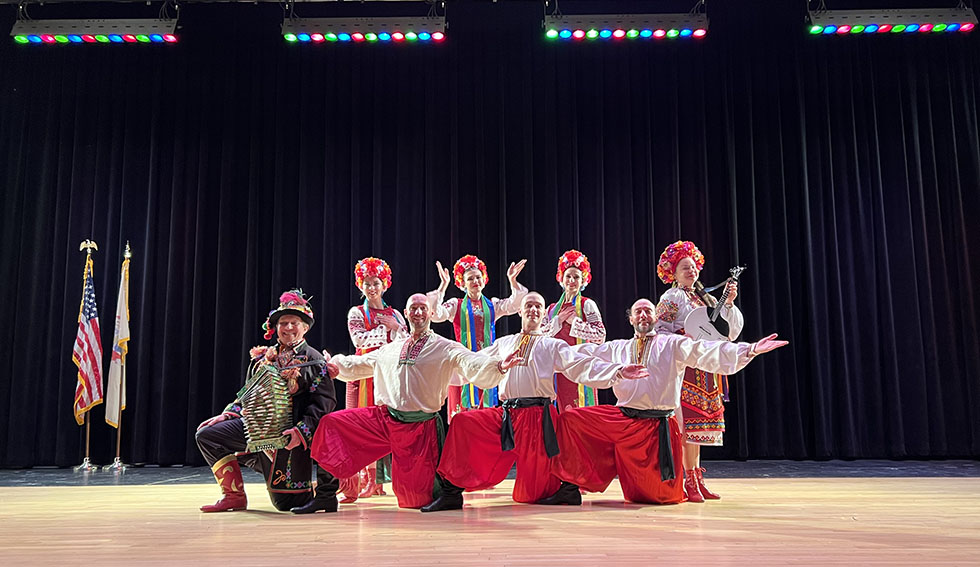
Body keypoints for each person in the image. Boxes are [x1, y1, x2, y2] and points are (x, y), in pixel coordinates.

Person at [422, 292, 649, 512]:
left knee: (529, 496)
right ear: (520, 310)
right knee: (463, 422)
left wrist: (618, 371)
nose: (533, 309)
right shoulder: (505, 343)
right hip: (506, 415)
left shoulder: (552, 345)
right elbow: (474, 364)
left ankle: (568, 488)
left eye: (538, 306)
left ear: (543, 315)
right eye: (529, 305)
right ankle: (451, 492)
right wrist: (437, 372)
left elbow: (581, 365)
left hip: (537, 419)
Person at [550, 298, 787, 505]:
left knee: (659, 498)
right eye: (638, 311)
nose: (643, 315)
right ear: (631, 319)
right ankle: (571, 485)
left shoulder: (672, 344)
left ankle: (644, 476)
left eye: (648, 311)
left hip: (656, 428)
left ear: (655, 317)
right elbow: (579, 359)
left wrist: (750, 350)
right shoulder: (617, 348)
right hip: (622, 420)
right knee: (572, 419)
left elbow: (706, 351)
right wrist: (617, 370)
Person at [311, 294, 523, 510]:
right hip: (384, 420)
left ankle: (450, 494)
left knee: (414, 500)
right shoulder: (392, 348)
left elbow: (470, 361)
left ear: (431, 313)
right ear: (406, 313)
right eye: (413, 308)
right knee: (332, 425)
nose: (418, 312)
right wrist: (337, 366)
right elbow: (362, 363)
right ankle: (326, 495)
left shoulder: (445, 347)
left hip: (420, 428)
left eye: (423, 308)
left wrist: (498, 366)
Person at [195, 290, 339, 513]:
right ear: (276, 328)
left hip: (288, 437)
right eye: (283, 323)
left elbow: (323, 404)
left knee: (288, 505)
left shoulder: (314, 360)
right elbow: (246, 394)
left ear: (305, 328)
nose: (288, 328)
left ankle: (311, 487)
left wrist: (301, 432)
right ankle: (233, 496)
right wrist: (228, 414)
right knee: (208, 435)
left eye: (294, 323)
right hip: (255, 430)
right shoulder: (262, 360)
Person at [654, 240, 742, 502]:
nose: (690, 271)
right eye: (684, 268)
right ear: (674, 273)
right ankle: (687, 481)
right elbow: (660, 331)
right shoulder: (672, 297)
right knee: (687, 425)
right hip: (687, 367)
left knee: (699, 426)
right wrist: (684, 337)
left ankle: (697, 478)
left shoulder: (707, 298)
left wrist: (728, 303)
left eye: (692, 267)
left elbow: (729, 331)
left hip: (706, 367)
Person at [338, 257, 408, 503]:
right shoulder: (356, 312)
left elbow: (407, 342)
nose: (371, 287)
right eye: (366, 283)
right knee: (359, 425)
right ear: (360, 285)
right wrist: (390, 329)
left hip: (385, 376)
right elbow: (360, 341)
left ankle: (378, 481)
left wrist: (396, 327)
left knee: (382, 425)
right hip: (361, 376)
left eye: (375, 282)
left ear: (384, 284)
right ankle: (361, 480)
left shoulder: (396, 313)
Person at [428, 255, 527, 420]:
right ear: (462, 283)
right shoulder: (456, 305)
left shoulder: (492, 305)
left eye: (478, 277)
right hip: (462, 366)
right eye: (470, 278)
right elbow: (436, 315)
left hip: (487, 364)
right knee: (462, 418)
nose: (475, 281)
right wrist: (443, 286)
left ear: (484, 279)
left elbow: (514, 304)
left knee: (486, 417)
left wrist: (512, 280)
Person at [544, 250, 606, 411]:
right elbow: (540, 337)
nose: (571, 280)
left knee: (583, 413)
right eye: (568, 276)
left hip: (580, 365)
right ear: (561, 279)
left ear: (583, 280)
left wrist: (575, 322)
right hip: (558, 370)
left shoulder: (587, 304)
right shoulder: (551, 309)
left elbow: (601, 336)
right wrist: (558, 321)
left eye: (576, 277)